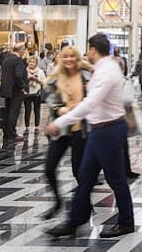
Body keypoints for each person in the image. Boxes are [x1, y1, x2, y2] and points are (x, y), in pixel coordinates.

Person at [44, 33, 134, 239]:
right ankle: (74, 220)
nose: (87, 53)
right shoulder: (104, 68)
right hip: (99, 131)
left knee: (116, 179)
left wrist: (59, 122)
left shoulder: (106, 72)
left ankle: (126, 221)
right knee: (85, 177)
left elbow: (90, 103)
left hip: (108, 130)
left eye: (88, 49)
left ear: (93, 49)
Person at [42, 46, 88, 219]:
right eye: (65, 56)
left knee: (79, 172)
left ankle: (85, 205)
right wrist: (63, 111)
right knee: (49, 169)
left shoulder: (85, 76)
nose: (69, 59)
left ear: (77, 58)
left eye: (72, 56)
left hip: (80, 130)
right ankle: (58, 201)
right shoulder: (56, 78)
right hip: (60, 130)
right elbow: (51, 101)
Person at [0, 44, 28, 146]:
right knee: (13, 112)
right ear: (21, 50)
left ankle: (7, 133)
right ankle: (12, 134)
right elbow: (18, 75)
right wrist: (22, 86)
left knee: (6, 111)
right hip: (15, 90)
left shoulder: (6, 59)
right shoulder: (18, 60)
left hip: (5, 89)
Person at [24, 54, 46, 133]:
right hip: (27, 93)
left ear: (36, 63)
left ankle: (37, 127)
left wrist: (36, 80)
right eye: (30, 62)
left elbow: (44, 83)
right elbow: (22, 82)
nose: (31, 63)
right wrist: (28, 79)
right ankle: (27, 127)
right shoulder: (25, 71)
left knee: (37, 110)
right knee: (27, 110)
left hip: (37, 93)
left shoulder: (40, 72)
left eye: (33, 62)